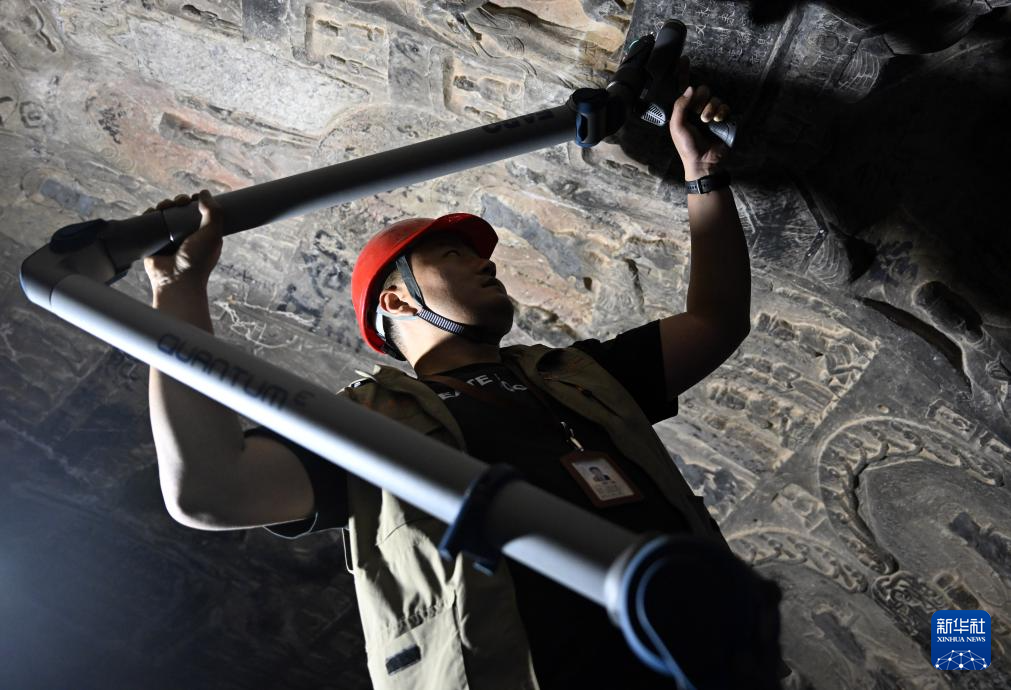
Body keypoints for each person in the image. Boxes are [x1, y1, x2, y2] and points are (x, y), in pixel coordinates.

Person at [147, 57, 783, 689]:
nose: (487, 264)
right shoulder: (367, 424)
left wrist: (702, 174)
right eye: (453, 254)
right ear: (396, 301)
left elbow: (716, 320)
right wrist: (179, 292)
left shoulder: (576, 374)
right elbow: (210, 489)